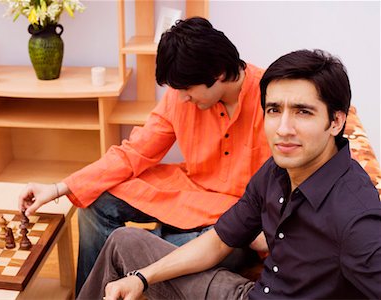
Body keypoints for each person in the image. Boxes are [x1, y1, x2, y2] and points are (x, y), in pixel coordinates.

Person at [79, 49, 381, 300]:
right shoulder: (275, 172)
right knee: (123, 241)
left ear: (336, 121)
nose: (283, 129)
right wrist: (142, 279)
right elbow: (219, 241)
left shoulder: (356, 216)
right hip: (249, 293)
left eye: (303, 112)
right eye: (274, 110)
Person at [18, 17, 271, 295]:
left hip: (234, 221)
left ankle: (133, 251)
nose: (183, 98)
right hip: (188, 195)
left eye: (187, 90)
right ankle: (92, 292)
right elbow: (134, 152)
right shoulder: (179, 96)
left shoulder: (274, 100)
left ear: (219, 73)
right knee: (96, 201)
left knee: (215, 252)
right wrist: (56, 189)